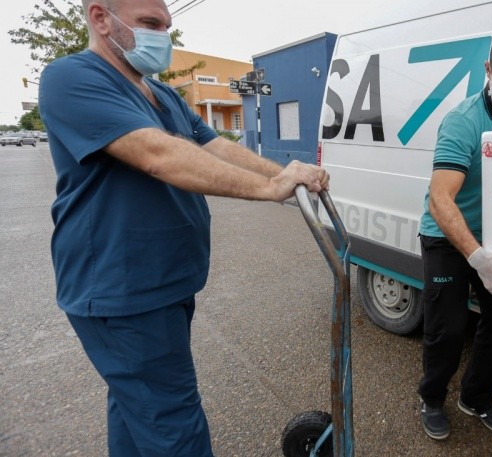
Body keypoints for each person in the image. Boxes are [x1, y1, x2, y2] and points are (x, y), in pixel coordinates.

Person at [37, 0, 329, 455]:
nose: (162, 37)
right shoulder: (72, 78)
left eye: (167, 27)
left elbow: (212, 145)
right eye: (149, 24)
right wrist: (269, 190)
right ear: (100, 19)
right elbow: (159, 155)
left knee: (137, 404)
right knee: (174, 423)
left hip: (166, 281)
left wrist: (280, 174)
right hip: (122, 287)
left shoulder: (162, 94)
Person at [416, 24, 492, 440]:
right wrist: (475, 255)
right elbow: (440, 199)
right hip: (447, 235)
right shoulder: (462, 122)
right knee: (447, 328)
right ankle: (431, 398)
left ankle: (477, 398)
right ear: (488, 69)